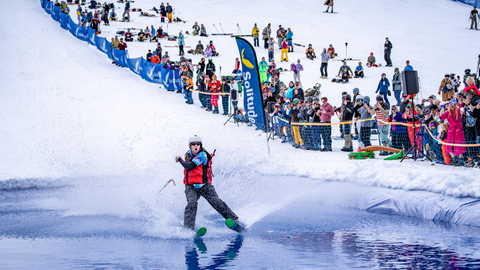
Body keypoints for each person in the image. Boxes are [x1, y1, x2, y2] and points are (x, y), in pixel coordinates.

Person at [175, 136, 239, 231]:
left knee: (216, 202)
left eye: (198, 144)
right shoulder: (188, 154)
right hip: (191, 186)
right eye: (193, 144)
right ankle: (188, 229)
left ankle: (234, 219)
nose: (196, 146)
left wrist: (179, 159)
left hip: (204, 185)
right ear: (190, 146)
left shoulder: (203, 155)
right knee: (191, 204)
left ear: (201, 145)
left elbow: (189, 167)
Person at [440, 101, 466, 165]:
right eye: (449, 104)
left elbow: (463, 111)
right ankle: (454, 157)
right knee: (449, 143)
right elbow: (442, 117)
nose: (451, 105)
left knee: (459, 143)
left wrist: (462, 109)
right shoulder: (447, 112)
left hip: (458, 128)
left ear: (455, 104)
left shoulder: (459, 110)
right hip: (451, 129)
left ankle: (460, 158)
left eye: (452, 104)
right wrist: (441, 113)